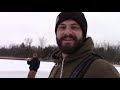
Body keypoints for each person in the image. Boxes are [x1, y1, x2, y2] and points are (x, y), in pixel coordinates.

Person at [28, 12, 120, 78]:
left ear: (83, 33)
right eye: (62, 27)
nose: (67, 32)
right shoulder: (58, 65)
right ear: (56, 33)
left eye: (74, 27)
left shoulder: (103, 71)